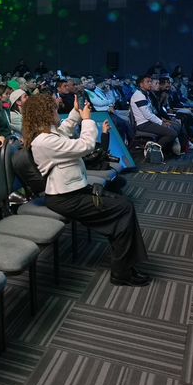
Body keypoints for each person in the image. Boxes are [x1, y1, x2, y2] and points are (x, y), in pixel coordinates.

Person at [24, 92, 151, 287]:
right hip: (64, 198)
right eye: (54, 109)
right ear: (45, 114)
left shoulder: (48, 135)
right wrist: (87, 120)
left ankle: (125, 266)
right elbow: (86, 146)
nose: (57, 111)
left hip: (72, 192)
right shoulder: (43, 141)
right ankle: (121, 272)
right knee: (123, 209)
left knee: (122, 206)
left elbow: (65, 129)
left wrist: (76, 113)